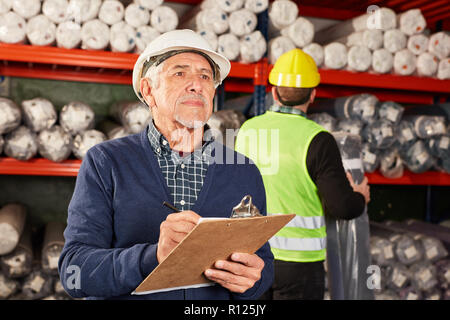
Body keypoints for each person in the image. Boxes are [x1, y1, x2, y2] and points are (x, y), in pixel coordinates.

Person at [58, 29, 274, 300]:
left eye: (205, 76)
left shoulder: (243, 171)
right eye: (180, 73)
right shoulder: (107, 162)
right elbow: (74, 272)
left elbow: (263, 264)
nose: (196, 84)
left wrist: (253, 280)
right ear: (149, 91)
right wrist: (153, 256)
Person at [235, 48, 370, 300]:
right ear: (313, 94)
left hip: (250, 257)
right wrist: (359, 196)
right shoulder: (318, 140)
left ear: (273, 92)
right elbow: (343, 207)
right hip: (299, 266)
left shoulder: (246, 130)